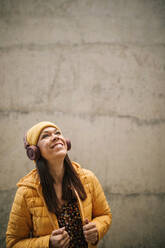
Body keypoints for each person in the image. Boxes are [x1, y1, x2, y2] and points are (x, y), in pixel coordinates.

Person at [6, 121, 112, 248]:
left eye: (57, 133)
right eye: (45, 136)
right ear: (34, 151)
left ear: (66, 143)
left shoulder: (88, 178)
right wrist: (48, 243)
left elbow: (104, 215)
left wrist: (97, 229)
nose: (55, 136)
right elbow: (13, 243)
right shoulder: (26, 192)